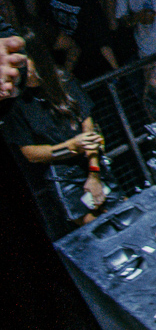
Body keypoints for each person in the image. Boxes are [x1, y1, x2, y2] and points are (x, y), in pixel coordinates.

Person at [3, 30, 106, 233]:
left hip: (91, 163)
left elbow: (90, 129)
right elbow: (30, 153)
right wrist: (70, 146)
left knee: (124, 210)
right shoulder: (13, 103)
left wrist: (94, 174)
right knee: (97, 227)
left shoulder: (62, 80)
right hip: (62, 177)